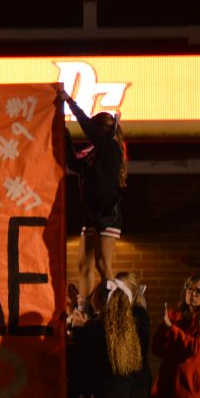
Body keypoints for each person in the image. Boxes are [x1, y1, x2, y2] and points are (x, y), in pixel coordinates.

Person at [57, 88, 127, 311]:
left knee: (102, 263)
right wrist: (64, 134)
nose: (91, 134)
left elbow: (90, 130)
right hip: (91, 214)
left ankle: (115, 309)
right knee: (83, 264)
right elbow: (73, 163)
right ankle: (84, 308)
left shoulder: (112, 149)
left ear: (105, 131)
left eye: (97, 130)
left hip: (108, 214)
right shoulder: (91, 153)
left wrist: (70, 103)